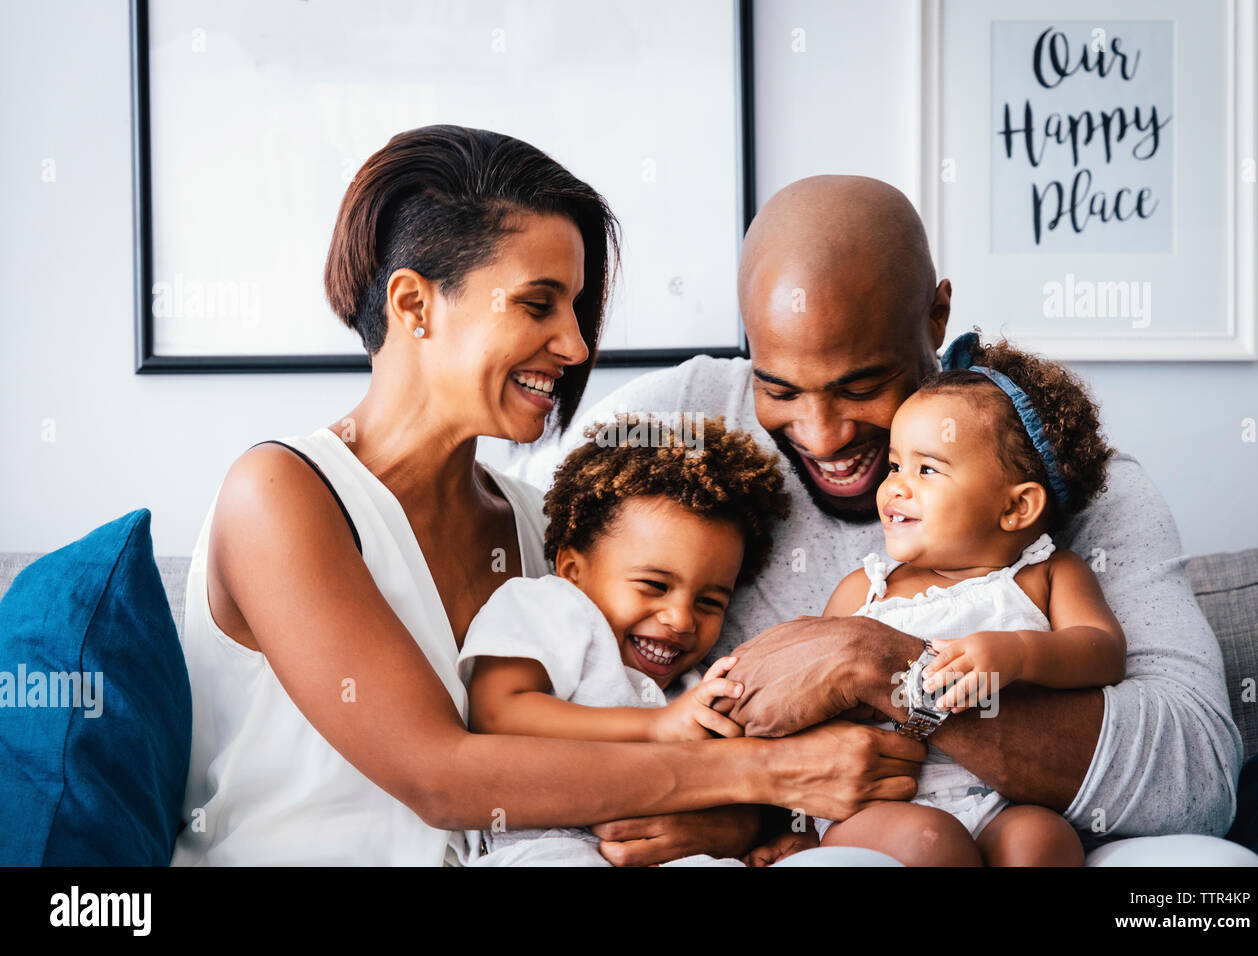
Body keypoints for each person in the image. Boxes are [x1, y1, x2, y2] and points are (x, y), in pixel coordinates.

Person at [170, 128, 900, 866]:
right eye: (538, 304)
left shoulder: (538, 522)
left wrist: (740, 821)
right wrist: (773, 775)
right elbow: (441, 776)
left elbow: (596, 737)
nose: (578, 346)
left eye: (577, 309)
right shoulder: (281, 494)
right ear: (414, 303)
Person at [509, 174, 1258, 866]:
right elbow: (525, 657)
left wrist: (878, 663)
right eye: (779, 388)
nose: (823, 434)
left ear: (936, 314)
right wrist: (751, 810)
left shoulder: (1056, 476)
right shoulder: (667, 424)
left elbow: (1196, 780)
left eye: (862, 385)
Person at [814, 334, 1127, 866]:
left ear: (1017, 507)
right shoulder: (865, 589)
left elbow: (1103, 651)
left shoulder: (1044, 576)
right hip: (884, 806)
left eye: (926, 469)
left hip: (1003, 801)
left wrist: (1020, 654)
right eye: (894, 466)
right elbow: (815, 688)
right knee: (931, 842)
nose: (895, 488)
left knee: (1044, 840)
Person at [459, 414, 789, 865]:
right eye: (654, 585)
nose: (681, 619)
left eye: (710, 602)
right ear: (573, 571)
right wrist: (654, 726)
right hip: (545, 846)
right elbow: (497, 712)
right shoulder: (550, 606)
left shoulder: (690, 688)